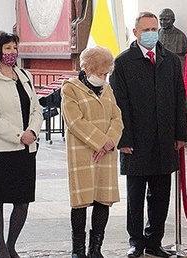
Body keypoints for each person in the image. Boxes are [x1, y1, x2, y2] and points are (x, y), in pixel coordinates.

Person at [110, 11, 187, 258]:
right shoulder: (123, 63)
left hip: (165, 139)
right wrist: (124, 139)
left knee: (161, 194)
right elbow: (119, 104)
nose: (151, 34)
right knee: (135, 195)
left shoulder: (171, 61)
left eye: (154, 29)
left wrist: (180, 134)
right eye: (146, 30)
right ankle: (136, 241)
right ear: (136, 33)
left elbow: (179, 99)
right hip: (135, 141)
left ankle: (155, 241)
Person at [0, 31, 43, 258]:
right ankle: (1, 248)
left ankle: (12, 244)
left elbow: (36, 108)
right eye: (7, 49)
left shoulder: (24, 75)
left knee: (22, 201)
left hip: (26, 150)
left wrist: (32, 131)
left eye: (14, 48)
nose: (12, 53)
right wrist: (18, 135)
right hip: (0, 150)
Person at [61, 46, 124, 258]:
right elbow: (75, 121)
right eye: (100, 73)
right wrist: (99, 142)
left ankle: (95, 249)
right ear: (86, 68)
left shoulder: (107, 89)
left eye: (106, 74)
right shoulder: (70, 88)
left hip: (106, 153)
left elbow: (117, 118)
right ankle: (78, 249)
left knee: (102, 199)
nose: (104, 78)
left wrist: (109, 142)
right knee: (81, 200)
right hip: (83, 151)